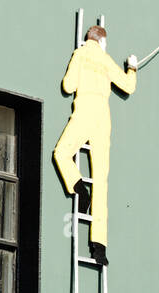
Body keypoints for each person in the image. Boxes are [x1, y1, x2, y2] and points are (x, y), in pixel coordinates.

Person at [53, 25, 137, 265]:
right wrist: (132, 67)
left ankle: (79, 188)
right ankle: (99, 248)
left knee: (62, 153)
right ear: (101, 42)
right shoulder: (106, 59)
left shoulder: (80, 55)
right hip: (103, 118)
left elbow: (67, 86)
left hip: (85, 113)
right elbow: (129, 86)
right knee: (101, 180)